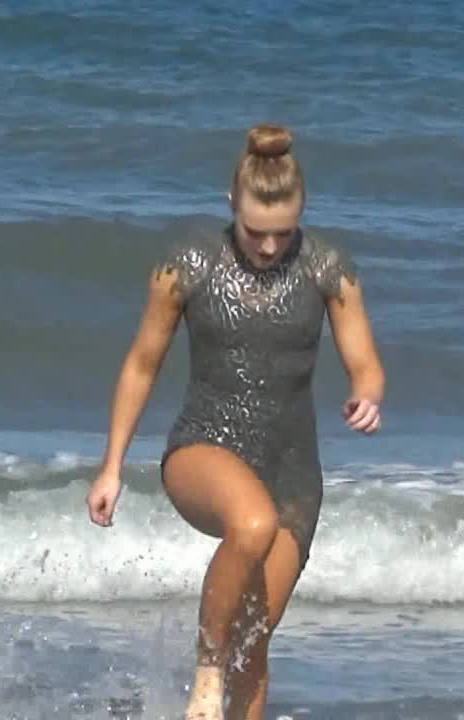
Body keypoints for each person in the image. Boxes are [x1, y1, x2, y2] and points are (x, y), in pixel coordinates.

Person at [86, 124, 385, 720]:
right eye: (255, 231)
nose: (269, 247)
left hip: (293, 471)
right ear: (231, 203)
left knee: (254, 642)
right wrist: (112, 466)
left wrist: (367, 395)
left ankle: (227, 680)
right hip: (204, 445)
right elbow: (142, 364)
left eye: (283, 233)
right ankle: (206, 670)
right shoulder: (188, 263)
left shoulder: (329, 268)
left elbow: (366, 364)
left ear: (302, 211)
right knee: (251, 524)